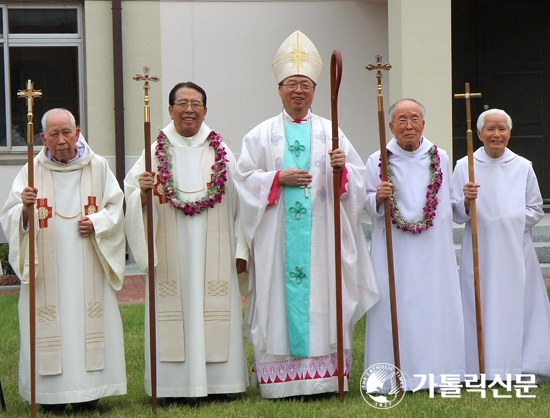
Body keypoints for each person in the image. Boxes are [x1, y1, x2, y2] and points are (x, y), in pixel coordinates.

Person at [234, 30, 379, 398]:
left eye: (306, 85)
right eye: (291, 84)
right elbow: (243, 180)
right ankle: (281, 384)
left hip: (323, 236)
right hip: (276, 236)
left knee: (323, 297)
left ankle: (326, 379)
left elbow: (357, 182)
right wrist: (276, 178)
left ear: (315, 90)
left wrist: (342, 168)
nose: (298, 91)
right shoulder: (260, 135)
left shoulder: (331, 132)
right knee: (279, 297)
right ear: (279, 88)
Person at [124, 82, 248, 402]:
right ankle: (172, 386)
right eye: (182, 103)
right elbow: (132, 196)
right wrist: (142, 191)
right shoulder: (154, 152)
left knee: (214, 309)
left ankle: (222, 384)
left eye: (196, 103)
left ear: (205, 110)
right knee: (173, 314)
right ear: (170, 110)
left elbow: (238, 206)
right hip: (171, 254)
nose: (189, 109)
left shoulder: (221, 152)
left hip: (214, 252)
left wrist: (237, 248)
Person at [0, 108, 127, 411]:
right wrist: (26, 210)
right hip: (47, 271)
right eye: (53, 134)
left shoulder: (97, 168)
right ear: (43, 138)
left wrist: (96, 222)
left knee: (89, 324)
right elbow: (11, 216)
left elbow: (116, 206)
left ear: (77, 132)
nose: (60, 140)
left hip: (89, 266)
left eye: (66, 132)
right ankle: (50, 396)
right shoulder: (32, 171)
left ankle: (91, 392)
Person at [363, 99, 465, 391]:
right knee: (394, 304)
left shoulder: (441, 157)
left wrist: (466, 200)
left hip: (433, 250)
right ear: (391, 126)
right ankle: (392, 375)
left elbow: (452, 202)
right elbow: (365, 204)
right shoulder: (377, 161)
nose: (409, 125)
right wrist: (377, 197)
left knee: (435, 304)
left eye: (415, 118)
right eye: (402, 120)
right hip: (394, 248)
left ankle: (439, 371)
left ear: (424, 123)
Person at [452, 109, 550, 381]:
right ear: (480, 133)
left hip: (516, 249)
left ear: (509, 133)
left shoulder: (523, 166)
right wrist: (465, 200)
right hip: (479, 250)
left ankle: (523, 363)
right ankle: (478, 365)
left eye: (502, 129)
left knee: (520, 304)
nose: (497, 134)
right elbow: (456, 213)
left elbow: (536, 208)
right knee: (479, 303)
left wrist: (508, 220)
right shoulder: (464, 166)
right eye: (490, 129)